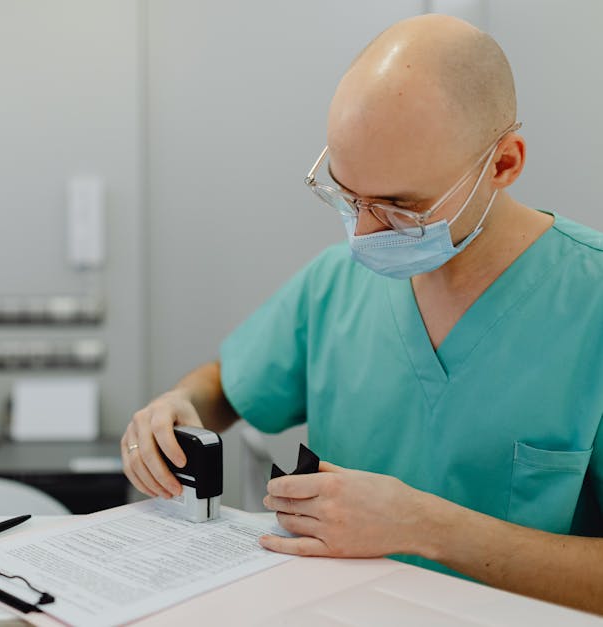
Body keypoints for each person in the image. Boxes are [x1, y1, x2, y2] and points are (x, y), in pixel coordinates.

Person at [120, 13, 603, 614]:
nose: (366, 235)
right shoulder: (335, 284)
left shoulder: (590, 305)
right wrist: (178, 406)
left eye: (401, 209)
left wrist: (426, 526)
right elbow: (227, 385)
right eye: (349, 198)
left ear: (503, 164)